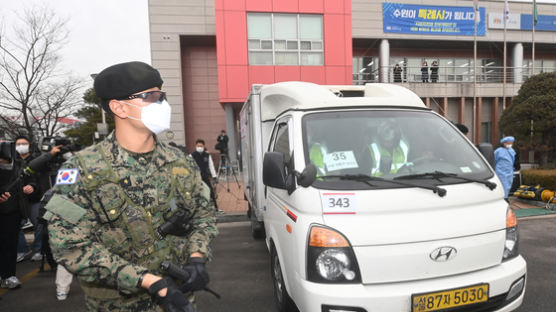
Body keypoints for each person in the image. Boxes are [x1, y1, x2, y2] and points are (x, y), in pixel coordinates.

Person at [44, 61, 218, 311]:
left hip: (179, 299)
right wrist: (148, 282)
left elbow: (203, 215)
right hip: (119, 304)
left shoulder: (181, 162)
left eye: (163, 96)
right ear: (118, 107)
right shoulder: (79, 170)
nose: (163, 104)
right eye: (152, 96)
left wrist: (197, 257)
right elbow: (70, 247)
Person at [0, 140, 36, 289]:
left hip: (12, 211)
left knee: (10, 245)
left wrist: (31, 186)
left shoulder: (20, 164)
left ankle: (9, 275)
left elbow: (32, 179)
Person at [190, 139, 218, 210]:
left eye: (201, 146)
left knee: (210, 191)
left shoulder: (207, 155)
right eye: (198, 146)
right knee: (196, 193)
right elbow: (189, 167)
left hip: (205, 176)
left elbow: (211, 166)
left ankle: (215, 207)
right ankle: (196, 209)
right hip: (196, 178)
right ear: (196, 146)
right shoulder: (191, 155)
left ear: (204, 146)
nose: (199, 147)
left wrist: (214, 176)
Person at [494, 136, 516, 200]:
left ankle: (506, 197)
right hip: (500, 171)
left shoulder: (512, 151)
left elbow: (513, 160)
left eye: (511, 143)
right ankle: (503, 198)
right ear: (504, 143)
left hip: (509, 171)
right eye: (508, 143)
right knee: (502, 184)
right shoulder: (498, 151)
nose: (510, 144)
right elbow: (494, 160)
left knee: (508, 184)